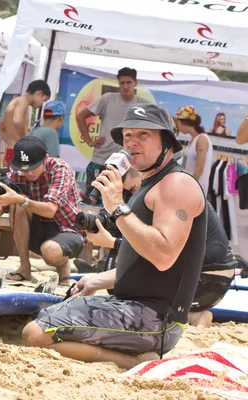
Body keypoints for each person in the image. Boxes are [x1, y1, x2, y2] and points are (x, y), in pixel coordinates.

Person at [22, 104, 206, 370]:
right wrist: (99, 279)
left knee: (34, 334)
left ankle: (132, 360)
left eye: (144, 134)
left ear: (166, 142)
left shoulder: (176, 184)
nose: (132, 141)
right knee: (41, 315)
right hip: (133, 307)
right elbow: (144, 264)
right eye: (128, 135)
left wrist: (118, 206)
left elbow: (164, 256)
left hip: (154, 319)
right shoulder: (150, 184)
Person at [84, 169, 235, 328]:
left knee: (126, 261)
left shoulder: (165, 188)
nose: (126, 191)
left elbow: (158, 251)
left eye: (123, 183)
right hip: (212, 283)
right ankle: (194, 314)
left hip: (202, 280)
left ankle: (184, 314)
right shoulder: (170, 182)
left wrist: (113, 243)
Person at [0, 136, 84, 284]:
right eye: (24, 169)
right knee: (17, 206)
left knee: (50, 251)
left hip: (66, 229)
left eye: (32, 168)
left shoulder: (60, 169)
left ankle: (62, 264)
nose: (28, 173)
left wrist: (20, 199)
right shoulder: (16, 172)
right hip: (36, 231)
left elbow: (50, 210)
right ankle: (24, 268)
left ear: (45, 159)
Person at [76, 67, 150, 199]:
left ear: (135, 83)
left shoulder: (142, 105)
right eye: (122, 83)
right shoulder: (108, 99)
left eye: (129, 82)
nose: (125, 86)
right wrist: (88, 141)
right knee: (93, 203)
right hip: (101, 161)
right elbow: (80, 116)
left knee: (120, 206)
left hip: (127, 165)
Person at [0, 81, 51, 168]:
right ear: (39, 93)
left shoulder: (14, 102)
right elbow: (17, 121)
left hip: (10, 150)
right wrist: (24, 142)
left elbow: (1, 129)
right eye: (44, 100)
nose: (42, 104)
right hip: (18, 153)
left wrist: (11, 142)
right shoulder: (22, 101)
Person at [174, 105, 213, 195]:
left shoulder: (201, 140)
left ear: (184, 122)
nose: (177, 126)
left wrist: (188, 187)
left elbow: (199, 169)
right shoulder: (193, 140)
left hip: (195, 190)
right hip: (188, 187)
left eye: (178, 122)